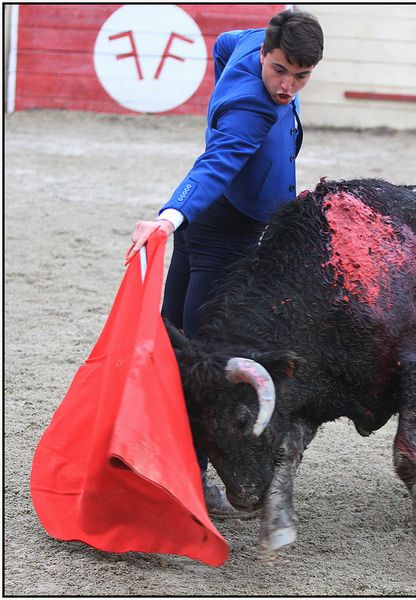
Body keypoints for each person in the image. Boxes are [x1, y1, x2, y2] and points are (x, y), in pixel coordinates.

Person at [126, 9, 324, 513]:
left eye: (300, 77)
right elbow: (217, 162)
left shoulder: (249, 42)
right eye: (279, 70)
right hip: (226, 231)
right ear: (265, 54)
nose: (286, 86)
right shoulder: (249, 112)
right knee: (204, 358)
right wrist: (170, 216)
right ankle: (186, 474)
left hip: (210, 220)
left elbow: (221, 41)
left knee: (175, 336)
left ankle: (153, 452)